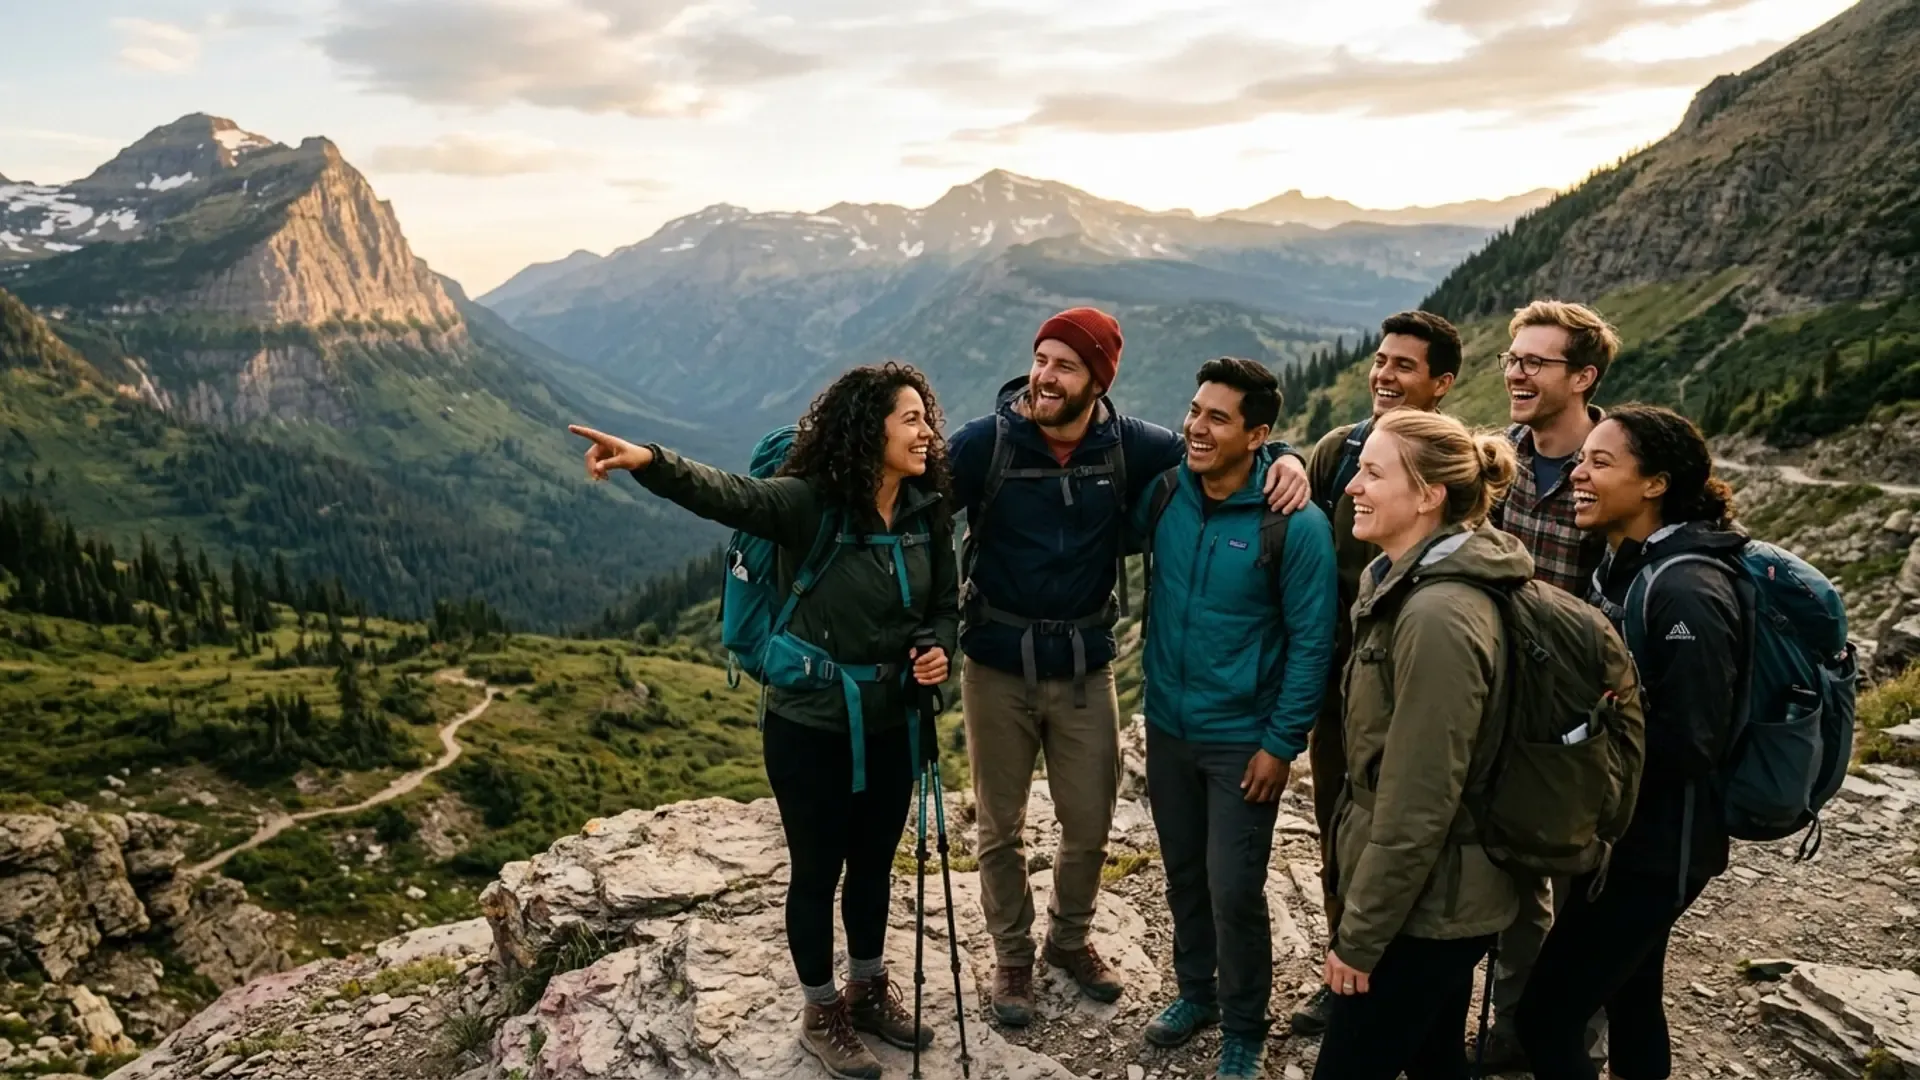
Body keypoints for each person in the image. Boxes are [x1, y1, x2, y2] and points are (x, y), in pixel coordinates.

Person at [567, 363, 959, 1080]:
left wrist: (936, 651)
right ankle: (821, 1012)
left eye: (925, 417)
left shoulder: (925, 508)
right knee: (817, 871)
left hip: (894, 721)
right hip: (809, 727)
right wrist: (648, 461)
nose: (926, 432)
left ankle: (868, 989)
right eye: (910, 419)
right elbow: (725, 494)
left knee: (873, 866)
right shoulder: (807, 505)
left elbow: (942, 608)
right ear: (867, 431)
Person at [948, 308, 1311, 1024]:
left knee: (1089, 823)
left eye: (1065, 365)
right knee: (1001, 827)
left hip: (1086, 665)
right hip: (995, 663)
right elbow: (920, 524)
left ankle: (1070, 938)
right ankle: (1014, 957)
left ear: (1097, 380)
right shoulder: (982, 445)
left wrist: (1288, 455)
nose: (1045, 377)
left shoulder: (1133, 446)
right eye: (1042, 359)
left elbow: (1226, 448)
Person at [1513, 405, 1741, 1080]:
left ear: (1655, 484)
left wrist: (1580, 748)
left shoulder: (1687, 591)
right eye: (1583, 459)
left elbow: (1691, 741)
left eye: (1600, 463)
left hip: (1655, 848)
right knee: (1630, 995)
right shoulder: (1626, 564)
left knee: (1546, 1016)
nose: (1578, 474)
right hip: (1628, 838)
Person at [1129, 358, 1338, 1078]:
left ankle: (1245, 1027)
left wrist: (1280, 744)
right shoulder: (1164, 494)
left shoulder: (1296, 525)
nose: (1196, 426)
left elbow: (1314, 641)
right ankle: (1197, 994)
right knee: (1184, 874)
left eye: (1218, 418)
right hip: (1167, 725)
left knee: (1233, 887)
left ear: (1259, 434)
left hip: (1241, 740)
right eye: (1195, 411)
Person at [1313, 409, 1527, 1080]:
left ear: (1429, 495)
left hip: (1427, 910)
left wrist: (1361, 938)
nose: (1353, 485)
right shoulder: (1405, 582)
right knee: (1434, 1061)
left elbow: (1418, 802)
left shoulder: (1437, 617)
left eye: (1374, 473)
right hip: (1434, 900)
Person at [1288, 309, 1461, 1037]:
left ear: (1442, 384)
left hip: (1424, 681)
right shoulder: (1338, 451)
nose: (1384, 375)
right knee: (1339, 823)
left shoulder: (1451, 462)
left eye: (1405, 366)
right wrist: (1290, 460)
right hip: (1342, 686)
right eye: (1381, 361)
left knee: (1419, 828)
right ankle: (1343, 967)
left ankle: (1412, 974)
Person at [1479, 299, 1623, 1070]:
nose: (1515, 372)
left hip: (1576, 720)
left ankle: (1573, 1037)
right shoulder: (1494, 458)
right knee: (1512, 878)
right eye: (1513, 358)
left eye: (1536, 361)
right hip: (1497, 705)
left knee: (1578, 888)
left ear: (1584, 376)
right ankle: (1515, 1026)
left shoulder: (1613, 471)